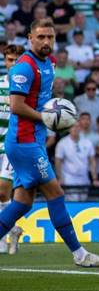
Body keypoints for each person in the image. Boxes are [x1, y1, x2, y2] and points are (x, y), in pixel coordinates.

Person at [0, 18, 99, 266]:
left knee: (22, 203)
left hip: (33, 141)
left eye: (50, 37)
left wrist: (53, 114)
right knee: (56, 193)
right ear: (30, 38)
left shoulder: (48, 63)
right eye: (41, 37)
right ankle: (80, 255)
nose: (46, 41)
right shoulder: (24, 67)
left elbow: (42, 99)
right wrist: (48, 118)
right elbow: (16, 106)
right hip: (23, 142)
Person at [0, 44, 24, 254]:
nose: (13, 64)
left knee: (2, 191)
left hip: (12, 146)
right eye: (9, 60)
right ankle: (12, 229)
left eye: (17, 60)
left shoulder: (27, 87)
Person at [55, 122, 98, 202]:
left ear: (80, 128)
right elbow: (58, 162)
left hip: (84, 177)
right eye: (73, 127)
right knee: (72, 202)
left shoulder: (87, 142)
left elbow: (92, 161)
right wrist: (59, 177)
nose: (75, 129)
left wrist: (95, 178)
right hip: (69, 178)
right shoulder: (62, 143)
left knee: (83, 202)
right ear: (69, 129)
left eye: (77, 126)